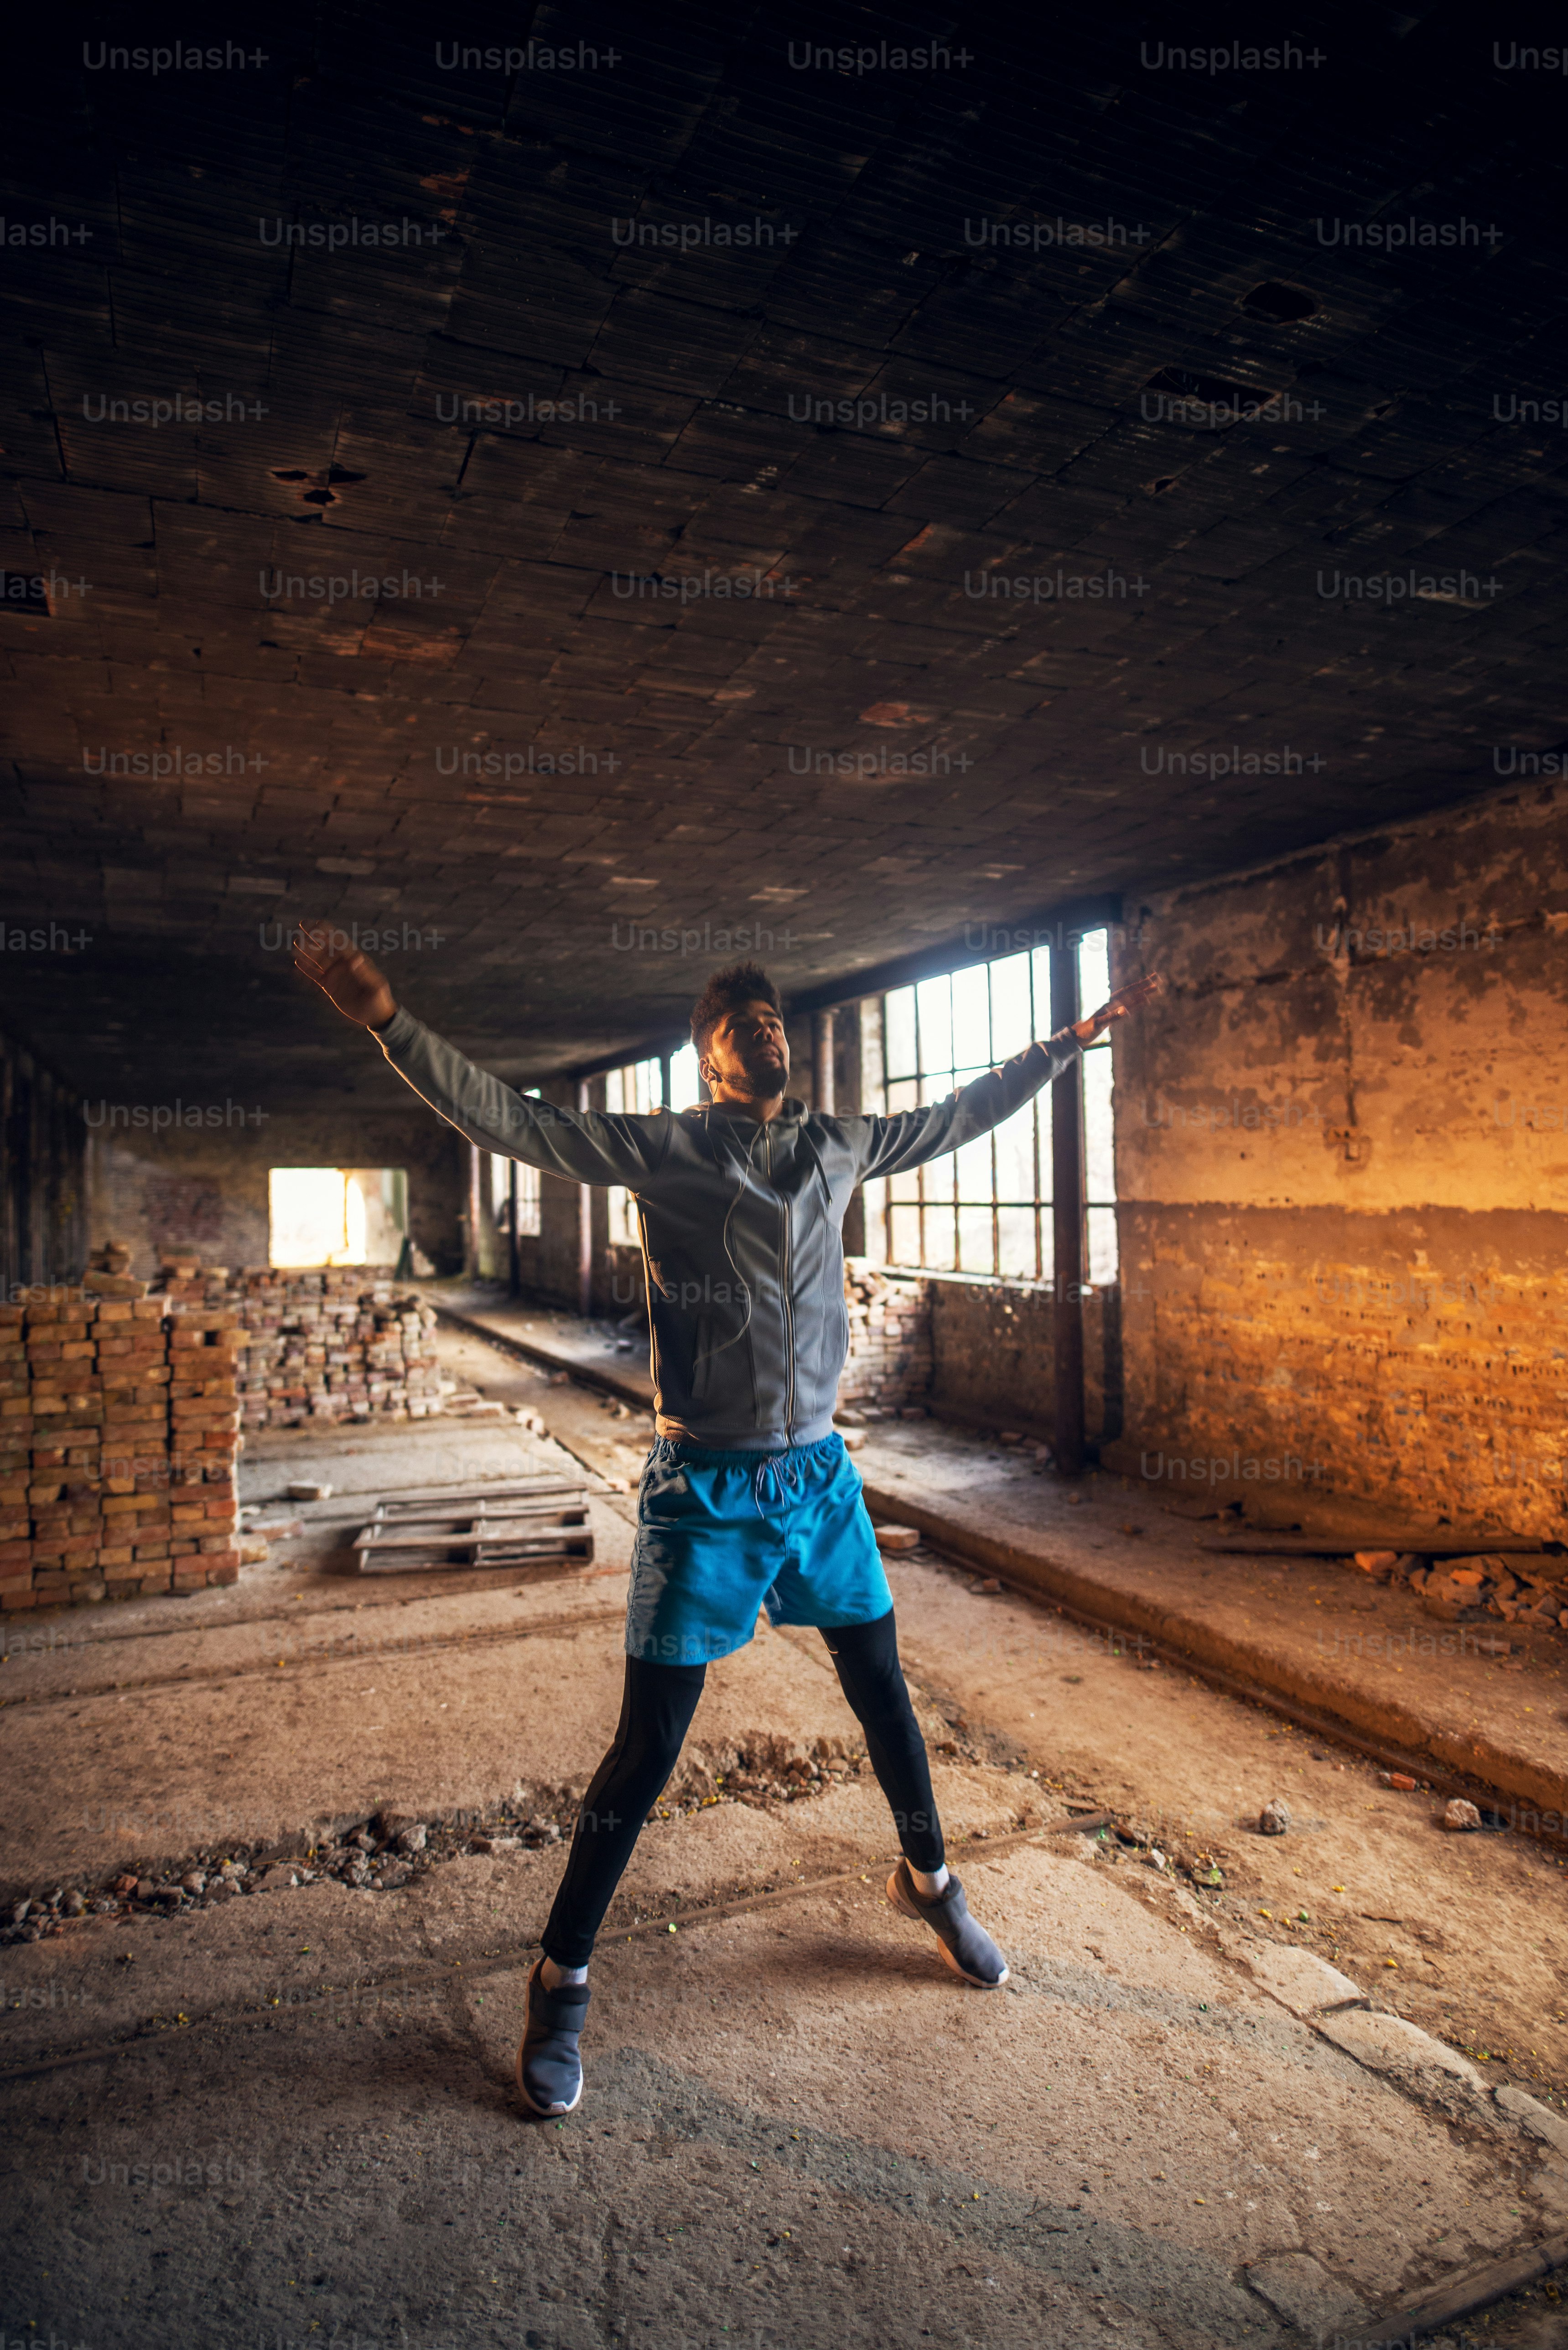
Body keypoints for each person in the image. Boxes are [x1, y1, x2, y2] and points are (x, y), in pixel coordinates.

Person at [292, 931, 1162, 2116]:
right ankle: (560, 1983)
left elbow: (962, 1112)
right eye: (738, 1031)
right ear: (708, 1064)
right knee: (647, 1752)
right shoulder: (668, 1151)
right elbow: (517, 1122)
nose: (764, 1039)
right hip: (703, 1493)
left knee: (886, 1699)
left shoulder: (841, 1144)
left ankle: (932, 1878)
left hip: (819, 1484)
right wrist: (391, 1023)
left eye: (774, 1027)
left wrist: (1064, 1046)